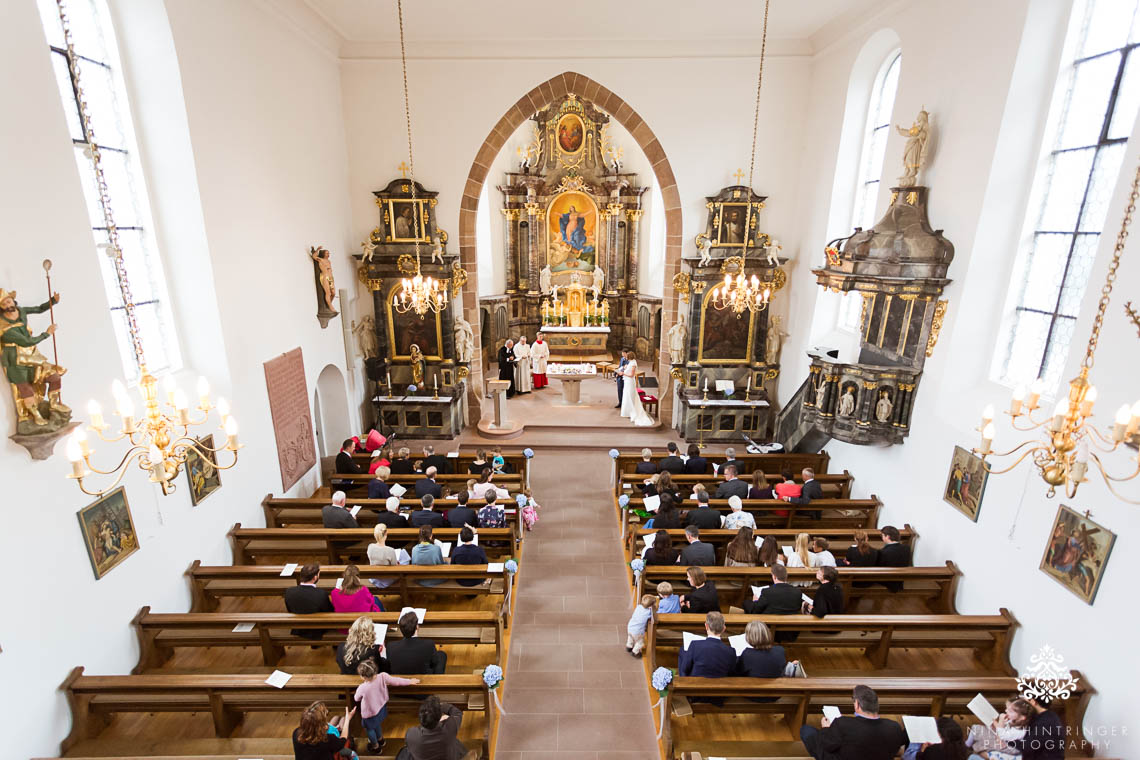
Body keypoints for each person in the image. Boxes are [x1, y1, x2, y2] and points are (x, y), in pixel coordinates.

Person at [799, 685, 907, 760]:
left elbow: (827, 745)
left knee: (807, 730)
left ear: (857, 705)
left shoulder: (843, 724)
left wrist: (826, 729)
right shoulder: (894, 727)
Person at [355, 659, 419, 755]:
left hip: (370, 713)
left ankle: (375, 747)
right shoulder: (383, 676)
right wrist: (409, 681)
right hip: (381, 708)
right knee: (377, 724)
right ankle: (381, 740)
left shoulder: (363, 688)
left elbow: (356, 698)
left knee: (370, 729)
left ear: (363, 676)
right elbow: (396, 681)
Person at [403, 695, 475, 760]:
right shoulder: (449, 730)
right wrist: (442, 706)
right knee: (461, 747)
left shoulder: (410, 734)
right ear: (439, 715)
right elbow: (457, 713)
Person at [965, 698, 1032, 759]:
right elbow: (1002, 730)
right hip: (1004, 742)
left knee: (978, 737)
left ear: (1022, 717)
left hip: (1009, 748)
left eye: (1010, 711)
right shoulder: (1016, 722)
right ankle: (967, 746)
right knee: (977, 729)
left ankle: (967, 747)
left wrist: (1001, 721)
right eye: (1007, 709)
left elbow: (1001, 736)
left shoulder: (1019, 732)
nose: (1006, 711)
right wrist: (995, 723)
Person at [734, 620, 792, 690]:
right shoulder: (780, 650)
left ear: (749, 637)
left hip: (753, 693)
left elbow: (738, 672)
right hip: (775, 692)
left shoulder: (747, 654)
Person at [678, 611, 736, 678]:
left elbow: (684, 669)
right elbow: (731, 675)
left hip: (695, 685)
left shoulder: (694, 645)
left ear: (706, 626)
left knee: (682, 651)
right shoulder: (731, 651)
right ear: (723, 629)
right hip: (720, 686)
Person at [292, 701, 357, 760]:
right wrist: (347, 719)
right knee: (343, 723)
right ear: (320, 725)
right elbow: (343, 740)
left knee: (336, 719)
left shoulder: (296, 733)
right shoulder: (326, 739)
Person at [387, 610, 447, 674]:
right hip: (423, 678)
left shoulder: (391, 646)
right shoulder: (429, 644)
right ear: (417, 627)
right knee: (441, 655)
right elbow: (434, 662)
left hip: (400, 678)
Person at [284, 563, 333, 639]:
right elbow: (329, 612)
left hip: (298, 628)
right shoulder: (321, 594)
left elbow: (290, 610)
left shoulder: (289, 591)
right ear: (315, 578)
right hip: (317, 629)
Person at [904, 716, 971, 760]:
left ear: (940, 734)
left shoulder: (932, 750)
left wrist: (922, 751)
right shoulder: (963, 750)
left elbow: (906, 757)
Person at [619, 349, 655, 426]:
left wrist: (623, 373)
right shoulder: (631, 362)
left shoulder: (633, 364)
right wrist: (625, 368)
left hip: (630, 382)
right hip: (627, 381)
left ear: (629, 357)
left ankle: (631, 411)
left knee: (630, 396)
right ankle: (627, 411)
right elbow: (628, 370)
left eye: (627, 356)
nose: (626, 357)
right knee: (626, 396)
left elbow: (632, 375)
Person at [878, 525, 911, 593]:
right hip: (900, 579)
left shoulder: (884, 552)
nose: (882, 537)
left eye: (883, 535)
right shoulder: (906, 548)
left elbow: (880, 566)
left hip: (889, 580)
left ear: (888, 536)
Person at [367, 524, 399, 588]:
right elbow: (395, 567)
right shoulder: (390, 550)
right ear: (386, 534)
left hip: (374, 576)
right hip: (387, 578)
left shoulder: (370, 546)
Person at [626, 593, 657, 657]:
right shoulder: (648, 612)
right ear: (650, 606)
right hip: (638, 631)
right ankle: (635, 651)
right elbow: (653, 616)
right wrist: (654, 609)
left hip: (630, 627)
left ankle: (629, 646)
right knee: (640, 642)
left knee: (630, 637)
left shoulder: (639, 607)